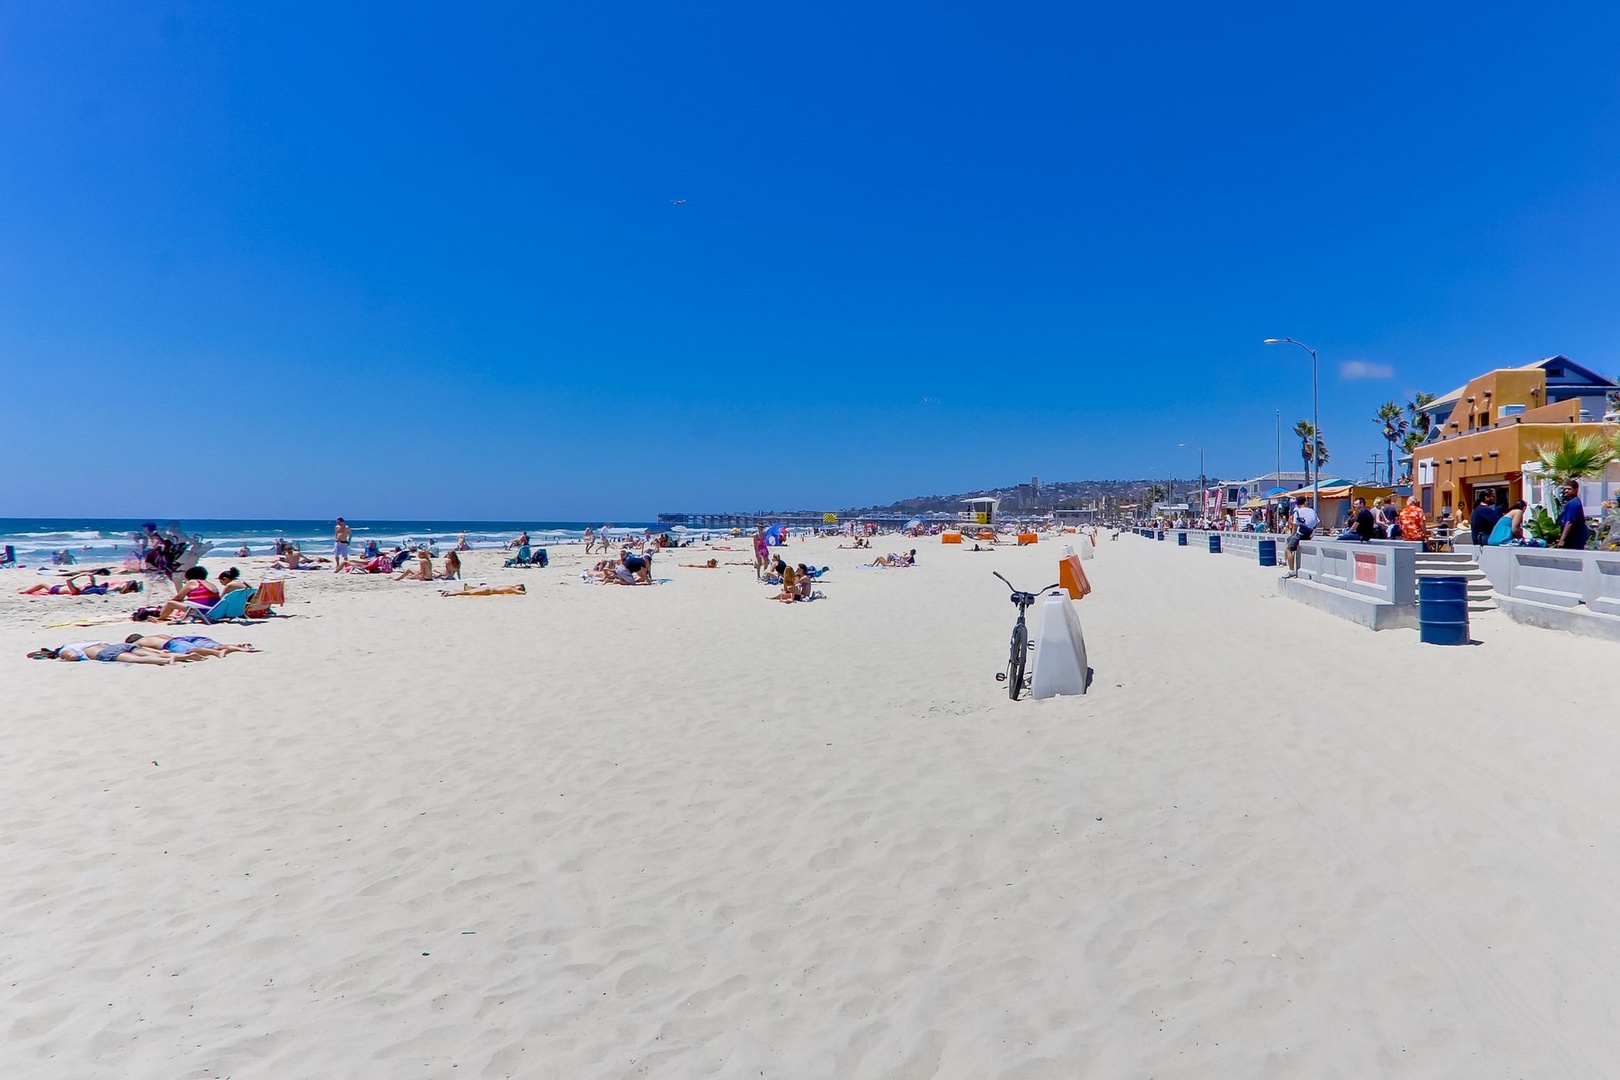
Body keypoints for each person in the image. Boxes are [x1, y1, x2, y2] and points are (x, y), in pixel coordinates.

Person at [29, 641, 179, 665]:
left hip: (106, 652)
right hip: (117, 644)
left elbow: (73, 656)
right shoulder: (80, 643)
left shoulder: (64, 650)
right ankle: (184, 657)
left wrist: (64, 659)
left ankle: (166, 661)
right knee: (155, 653)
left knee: (136, 660)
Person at [124, 633, 259, 657]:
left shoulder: (138, 642)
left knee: (191, 650)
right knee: (216, 645)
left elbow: (144, 649)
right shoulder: (156, 635)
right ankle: (238, 647)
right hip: (183, 637)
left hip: (172, 643)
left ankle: (216, 654)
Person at [1284, 496, 1318, 577]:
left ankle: (1291, 570)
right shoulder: (1312, 511)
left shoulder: (1298, 512)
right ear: (1305, 502)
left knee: (1289, 549)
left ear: (1297, 504)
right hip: (1309, 534)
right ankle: (1287, 561)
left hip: (1300, 534)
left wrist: (1293, 536)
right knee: (1289, 540)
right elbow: (1317, 522)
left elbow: (1295, 527)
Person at [1558, 480, 1589, 549]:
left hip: (1574, 537)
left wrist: (1562, 540)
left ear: (1576, 490)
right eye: (1565, 489)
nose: (1566, 491)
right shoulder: (1571, 502)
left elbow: (1569, 522)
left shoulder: (1573, 503)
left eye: (1569, 489)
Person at [440, 582, 526, 596]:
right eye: (520, 587)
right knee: (467, 593)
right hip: (488, 591)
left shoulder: (509, 586)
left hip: (488, 588)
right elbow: (522, 593)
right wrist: (523, 591)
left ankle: (449, 592)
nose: (519, 589)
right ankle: (449, 593)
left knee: (467, 592)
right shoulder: (511, 588)